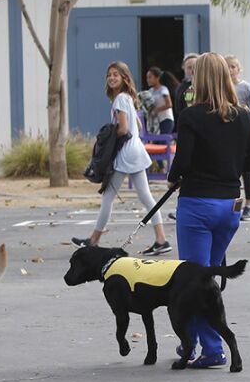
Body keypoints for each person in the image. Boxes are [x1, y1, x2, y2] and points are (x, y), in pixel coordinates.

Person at [169, 52, 250, 368]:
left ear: (198, 79)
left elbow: (182, 163)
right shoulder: (243, 116)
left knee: (193, 281)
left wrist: (177, 175)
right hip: (231, 205)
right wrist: (229, 163)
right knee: (207, 276)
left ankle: (208, 348)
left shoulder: (191, 116)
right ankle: (195, 342)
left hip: (197, 204)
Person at [70, 62, 173, 256]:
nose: (112, 78)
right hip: (136, 150)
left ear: (124, 78)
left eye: (116, 74)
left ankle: (93, 241)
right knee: (145, 196)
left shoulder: (120, 100)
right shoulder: (127, 98)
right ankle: (161, 239)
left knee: (108, 196)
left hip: (126, 152)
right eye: (109, 75)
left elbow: (123, 128)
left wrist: (108, 137)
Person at [226, 55, 250, 220]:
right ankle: (235, 206)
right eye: (228, 67)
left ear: (239, 69)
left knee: (246, 172)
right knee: (233, 173)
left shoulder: (246, 88)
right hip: (229, 134)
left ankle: (249, 205)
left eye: (233, 66)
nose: (231, 70)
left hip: (245, 133)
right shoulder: (222, 88)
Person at [145, 67, 175, 134]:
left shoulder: (163, 89)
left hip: (166, 120)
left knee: (163, 142)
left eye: (150, 77)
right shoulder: (150, 91)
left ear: (157, 78)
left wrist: (156, 110)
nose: (148, 80)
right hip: (156, 122)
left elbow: (169, 104)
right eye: (147, 78)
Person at [173, 53, 197, 124]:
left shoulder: (207, 85)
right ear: (184, 68)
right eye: (189, 67)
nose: (193, 70)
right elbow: (178, 108)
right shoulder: (181, 87)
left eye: (195, 67)